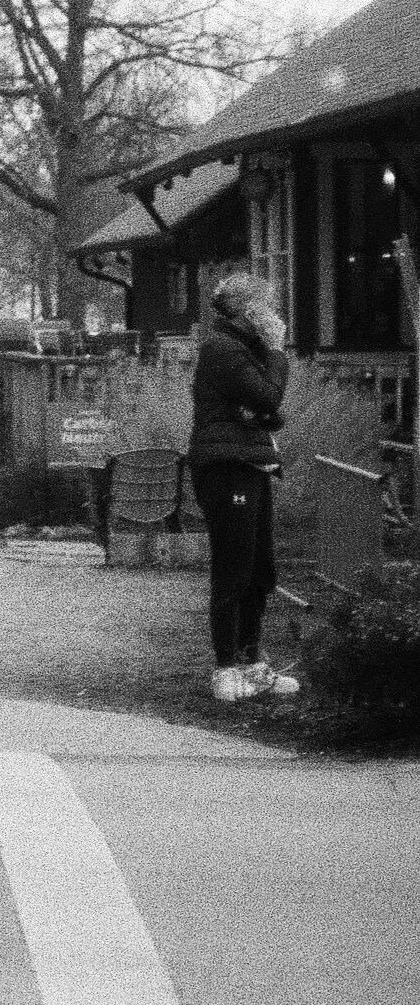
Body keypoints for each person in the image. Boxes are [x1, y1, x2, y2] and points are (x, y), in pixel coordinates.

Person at [188, 271, 302, 705]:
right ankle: (225, 668)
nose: (275, 314)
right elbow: (270, 399)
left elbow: (269, 413)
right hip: (227, 467)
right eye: (268, 305)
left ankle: (253, 661)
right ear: (248, 308)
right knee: (233, 567)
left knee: (261, 568)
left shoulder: (241, 349)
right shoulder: (222, 349)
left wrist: (262, 412)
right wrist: (275, 351)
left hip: (253, 462)